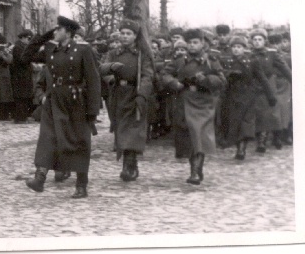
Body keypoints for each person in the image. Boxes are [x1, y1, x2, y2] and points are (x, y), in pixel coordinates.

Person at [22, 16, 101, 199]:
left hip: (75, 101)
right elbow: (26, 57)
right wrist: (43, 36)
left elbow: (93, 80)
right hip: (54, 100)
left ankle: (81, 184)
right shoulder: (51, 49)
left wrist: (92, 110)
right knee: (48, 138)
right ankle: (39, 178)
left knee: (79, 141)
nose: (55, 32)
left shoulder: (83, 50)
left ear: (68, 32)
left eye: (58, 29)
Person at [159, 28, 225, 185]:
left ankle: (196, 170)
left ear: (202, 43)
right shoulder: (179, 60)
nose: (192, 45)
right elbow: (164, 74)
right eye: (189, 42)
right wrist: (174, 83)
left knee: (199, 134)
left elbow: (222, 80)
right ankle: (194, 168)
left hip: (204, 102)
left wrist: (206, 79)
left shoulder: (211, 60)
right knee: (189, 135)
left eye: (195, 42)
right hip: (184, 100)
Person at [98, 18, 154, 182]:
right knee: (121, 131)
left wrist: (142, 95)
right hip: (117, 95)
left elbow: (147, 76)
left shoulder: (142, 55)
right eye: (122, 33)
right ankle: (130, 164)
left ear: (136, 36)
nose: (124, 36)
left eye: (128, 34)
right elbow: (101, 69)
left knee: (133, 131)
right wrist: (111, 70)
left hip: (134, 94)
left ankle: (129, 166)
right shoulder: (114, 53)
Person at [221, 36, 275, 160]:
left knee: (246, 122)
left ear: (244, 48)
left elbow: (262, 78)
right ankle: (237, 146)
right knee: (236, 122)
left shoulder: (252, 61)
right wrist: (228, 74)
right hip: (232, 96)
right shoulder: (226, 61)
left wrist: (270, 95)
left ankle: (241, 149)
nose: (236, 50)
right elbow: (221, 75)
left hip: (248, 95)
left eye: (239, 47)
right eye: (234, 47)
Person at [248, 28, 292, 151]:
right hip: (253, 86)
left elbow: (284, 68)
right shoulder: (248, 54)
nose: (257, 42)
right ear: (251, 41)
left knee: (272, 112)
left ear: (264, 41)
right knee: (258, 114)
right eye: (254, 39)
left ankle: (276, 137)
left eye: (259, 39)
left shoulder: (271, 53)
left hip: (269, 86)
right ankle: (261, 141)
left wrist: (294, 80)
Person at [11, 29, 36, 123]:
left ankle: (23, 116)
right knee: (20, 97)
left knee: (25, 96)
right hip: (19, 76)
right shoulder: (18, 47)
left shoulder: (24, 47)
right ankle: (19, 118)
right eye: (28, 38)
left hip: (25, 75)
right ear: (23, 38)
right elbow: (22, 60)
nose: (29, 41)